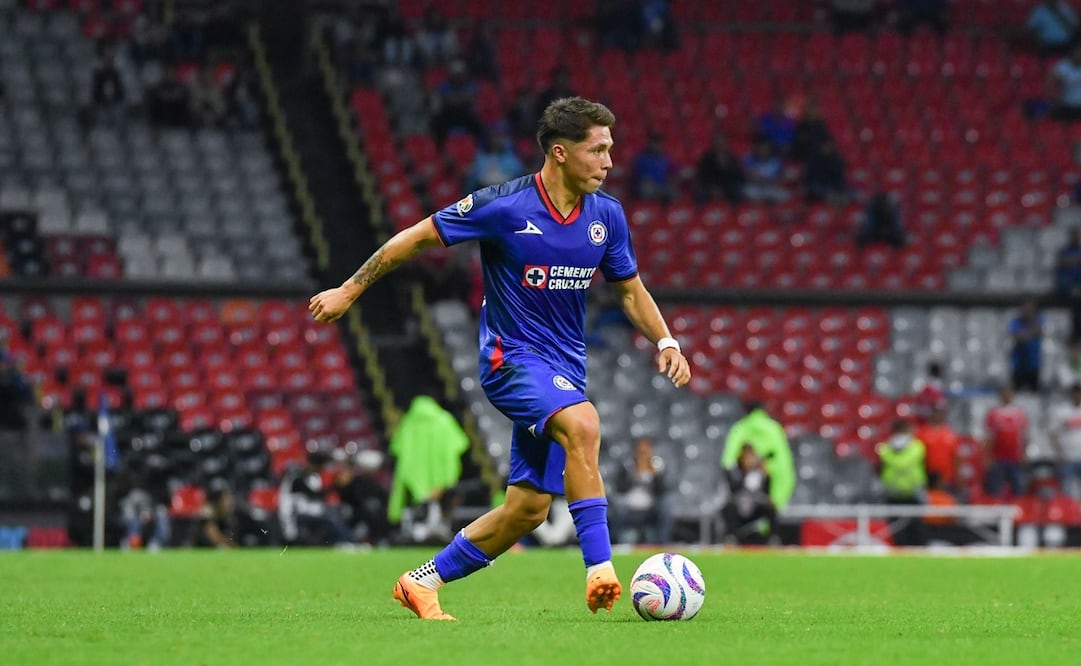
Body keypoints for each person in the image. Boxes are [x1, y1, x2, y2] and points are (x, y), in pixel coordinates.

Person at [308, 97, 691, 620]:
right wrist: (349, 290)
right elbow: (416, 238)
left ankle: (421, 582)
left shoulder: (607, 215)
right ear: (560, 152)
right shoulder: (504, 206)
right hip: (509, 361)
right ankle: (600, 567)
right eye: (597, 150)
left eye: (610, 150)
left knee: (527, 510)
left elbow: (629, 290)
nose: (608, 162)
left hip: (564, 369)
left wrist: (666, 342)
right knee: (583, 425)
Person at [720, 400, 795, 512]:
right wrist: (778, 500)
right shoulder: (774, 428)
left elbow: (728, 458)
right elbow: (784, 463)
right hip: (771, 476)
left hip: (746, 478)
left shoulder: (741, 427)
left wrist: (732, 474)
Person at [278, 452, 354, 546]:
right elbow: (314, 494)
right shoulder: (296, 477)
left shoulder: (310, 477)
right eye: (319, 467)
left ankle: (346, 542)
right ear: (312, 464)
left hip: (303, 512)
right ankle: (349, 542)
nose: (320, 470)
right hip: (293, 514)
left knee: (337, 513)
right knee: (330, 520)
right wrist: (336, 484)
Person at [609, 437, 673, 544]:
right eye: (641, 451)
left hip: (650, 507)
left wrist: (655, 476)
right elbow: (620, 488)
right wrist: (634, 475)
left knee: (667, 504)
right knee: (616, 505)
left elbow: (663, 490)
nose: (643, 454)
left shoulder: (658, 466)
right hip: (629, 507)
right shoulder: (627, 466)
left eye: (646, 451)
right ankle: (617, 542)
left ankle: (661, 542)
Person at [875, 419, 927, 547]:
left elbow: (902, 464)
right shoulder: (887, 448)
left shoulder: (915, 447)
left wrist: (889, 455)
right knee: (897, 531)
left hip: (912, 494)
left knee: (916, 528)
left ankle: (917, 551)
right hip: (893, 494)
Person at [722, 444, 777, 544]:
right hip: (739, 506)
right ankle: (732, 537)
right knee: (728, 507)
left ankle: (770, 539)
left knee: (771, 507)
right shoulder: (735, 470)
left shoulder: (759, 472)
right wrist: (746, 473)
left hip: (755, 507)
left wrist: (765, 474)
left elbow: (766, 492)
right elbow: (734, 489)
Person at [335, 449, 392, 546]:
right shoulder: (354, 481)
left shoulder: (374, 483)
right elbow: (344, 495)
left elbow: (383, 498)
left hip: (369, 515)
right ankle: (349, 539)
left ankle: (377, 539)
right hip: (355, 512)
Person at [984, 383, 1028, 499]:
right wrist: (988, 457)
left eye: (1009, 393)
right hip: (998, 457)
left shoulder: (1019, 413)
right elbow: (989, 437)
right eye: (1004, 393)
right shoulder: (994, 413)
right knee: (995, 489)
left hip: (1015, 457)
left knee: (1018, 489)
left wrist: (1024, 453)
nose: (1006, 395)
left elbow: (1024, 435)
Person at [914, 404, 960, 492]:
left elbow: (956, 457)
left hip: (947, 478)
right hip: (928, 476)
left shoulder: (950, 433)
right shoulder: (922, 432)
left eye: (940, 413)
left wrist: (958, 478)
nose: (938, 415)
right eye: (936, 413)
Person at [1050, 383, 1081, 495]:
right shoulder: (1063, 411)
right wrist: (1058, 452)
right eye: (1075, 394)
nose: (1077, 396)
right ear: (1071, 395)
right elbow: (1053, 433)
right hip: (1068, 458)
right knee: (1065, 491)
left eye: (1079, 394)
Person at [695, 134, 745, 203]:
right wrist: (713, 188)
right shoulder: (706, 158)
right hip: (711, 186)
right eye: (718, 142)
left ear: (727, 144)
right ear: (714, 144)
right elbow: (703, 176)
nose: (720, 145)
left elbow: (738, 176)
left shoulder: (732, 158)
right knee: (701, 191)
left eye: (722, 142)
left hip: (727, 187)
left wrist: (726, 166)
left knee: (738, 191)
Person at [1008, 300, 1044, 392]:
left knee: (1034, 392)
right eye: (1025, 310)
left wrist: (1025, 333)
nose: (1027, 312)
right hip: (1019, 365)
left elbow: (1040, 331)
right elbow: (1017, 336)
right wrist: (1031, 333)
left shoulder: (1039, 320)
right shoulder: (1015, 322)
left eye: (1029, 310)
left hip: (1034, 364)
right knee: (1017, 392)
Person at [631, 133, 675, 202]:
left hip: (663, 185)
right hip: (648, 185)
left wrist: (671, 179)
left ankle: (669, 208)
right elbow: (639, 175)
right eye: (655, 144)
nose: (657, 146)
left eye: (659, 144)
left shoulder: (666, 157)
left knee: (672, 191)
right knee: (646, 189)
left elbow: (673, 171)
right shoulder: (643, 158)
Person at [1055, 227, 1081, 341]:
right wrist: (1076, 260)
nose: (1075, 238)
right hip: (1068, 284)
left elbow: (1068, 261)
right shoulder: (1064, 250)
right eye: (1073, 235)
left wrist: (1071, 260)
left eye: (1077, 235)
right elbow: (1062, 262)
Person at [1047, 43, 1081, 122]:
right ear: (1073, 52)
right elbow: (1050, 83)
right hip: (1066, 105)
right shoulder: (1062, 66)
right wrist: (1053, 98)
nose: (1079, 55)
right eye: (1078, 52)